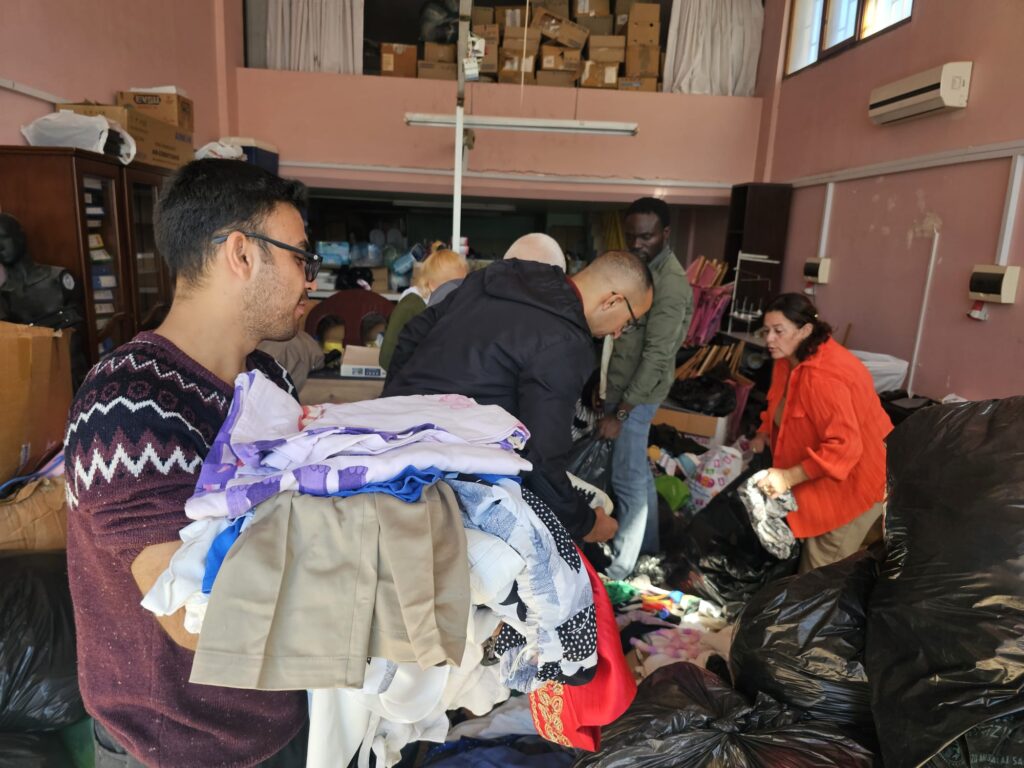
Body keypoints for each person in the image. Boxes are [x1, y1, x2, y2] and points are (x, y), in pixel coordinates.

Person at [64, 159, 317, 767]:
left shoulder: (266, 380)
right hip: (178, 746)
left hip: (278, 714)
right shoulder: (127, 406)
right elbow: (196, 618)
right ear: (242, 253)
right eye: (301, 258)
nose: (310, 282)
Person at [384, 251, 654, 543]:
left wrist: (397, 404)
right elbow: (542, 457)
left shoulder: (503, 275)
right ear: (612, 301)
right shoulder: (566, 343)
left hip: (390, 446)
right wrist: (586, 524)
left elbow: (412, 334)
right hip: (445, 477)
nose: (618, 332)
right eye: (628, 322)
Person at [751, 293, 892, 573]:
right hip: (821, 479)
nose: (770, 339)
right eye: (766, 331)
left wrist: (787, 477)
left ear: (805, 330)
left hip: (855, 486)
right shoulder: (788, 358)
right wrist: (764, 433)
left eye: (779, 331)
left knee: (818, 574)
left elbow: (844, 447)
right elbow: (778, 402)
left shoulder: (823, 377)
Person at [597, 197, 693, 580]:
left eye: (647, 237)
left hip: (637, 397)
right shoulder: (643, 269)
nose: (637, 244)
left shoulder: (670, 283)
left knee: (626, 477)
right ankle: (649, 550)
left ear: (665, 234)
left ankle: (620, 569)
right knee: (635, 472)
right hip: (623, 390)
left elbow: (656, 356)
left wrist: (622, 413)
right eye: (632, 236)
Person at [380, 249, 468, 369]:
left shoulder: (450, 306)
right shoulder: (411, 306)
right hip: (409, 377)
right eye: (453, 287)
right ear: (431, 285)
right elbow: (387, 357)